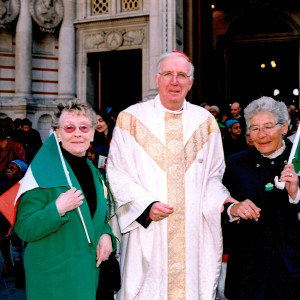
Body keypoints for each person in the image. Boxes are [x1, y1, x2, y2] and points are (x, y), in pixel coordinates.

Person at [106, 51, 233, 299]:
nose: (174, 81)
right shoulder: (130, 119)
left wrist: (224, 202)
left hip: (192, 237)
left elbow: (212, 178)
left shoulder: (205, 122)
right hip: (148, 231)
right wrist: (146, 207)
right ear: (157, 79)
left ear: (191, 82)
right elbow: (117, 173)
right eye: (168, 74)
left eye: (182, 75)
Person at [14, 101, 116, 299]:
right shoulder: (41, 173)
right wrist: (57, 209)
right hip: (53, 282)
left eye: (84, 127)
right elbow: (24, 228)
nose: (77, 133)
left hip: (86, 278)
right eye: (69, 127)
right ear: (57, 133)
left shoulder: (94, 173)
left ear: (93, 133)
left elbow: (96, 218)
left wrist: (106, 235)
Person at [222, 96, 300, 299]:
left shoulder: (298, 161)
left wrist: (296, 195)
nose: (261, 135)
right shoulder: (236, 164)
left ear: (284, 127)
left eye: (268, 126)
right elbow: (217, 214)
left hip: (291, 277)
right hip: (247, 278)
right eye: (254, 128)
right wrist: (233, 209)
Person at [0, 159, 27, 288]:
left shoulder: (24, 189)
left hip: (19, 223)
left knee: (18, 247)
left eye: (12, 169)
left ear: (20, 174)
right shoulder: (3, 186)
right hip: (6, 222)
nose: (7, 171)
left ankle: (20, 270)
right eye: (7, 168)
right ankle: (11, 265)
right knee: (7, 242)